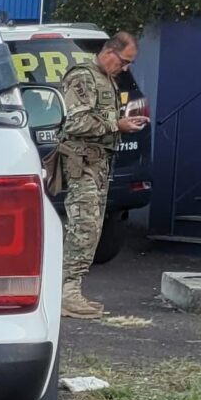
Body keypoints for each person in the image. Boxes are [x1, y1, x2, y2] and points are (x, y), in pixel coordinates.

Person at [53, 30, 135, 318]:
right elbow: (76, 121)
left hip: (98, 166)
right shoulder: (83, 76)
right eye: (124, 61)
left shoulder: (106, 79)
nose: (125, 68)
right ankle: (65, 293)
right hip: (83, 164)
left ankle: (70, 291)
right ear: (109, 52)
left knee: (92, 229)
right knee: (83, 229)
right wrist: (118, 124)